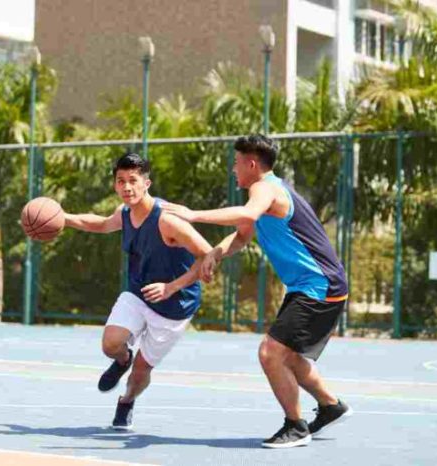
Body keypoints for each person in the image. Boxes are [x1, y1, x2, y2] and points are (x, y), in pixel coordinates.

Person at [162, 134, 352, 448]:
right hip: (312, 284)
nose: (233, 170)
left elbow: (247, 215)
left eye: (236, 164)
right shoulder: (267, 191)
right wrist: (215, 253)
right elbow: (242, 235)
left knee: (270, 353)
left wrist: (192, 215)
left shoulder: (264, 188)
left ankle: (295, 426)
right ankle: (331, 406)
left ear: (251, 164)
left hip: (319, 285)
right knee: (289, 357)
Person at [64, 152, 212, 431]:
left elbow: (209, 254)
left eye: (133, 180)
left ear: (147, 184)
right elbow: (100, 224)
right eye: (121, 181)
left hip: (175, 305)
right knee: (110, 344)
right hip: (139, 292)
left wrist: (172, 286)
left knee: (142, 371)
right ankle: (122, 359)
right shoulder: (124, 213)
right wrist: (64, 218)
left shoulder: (167, 220)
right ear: (115, 185)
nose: (127, 187)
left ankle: (127, 400)